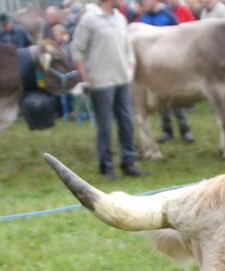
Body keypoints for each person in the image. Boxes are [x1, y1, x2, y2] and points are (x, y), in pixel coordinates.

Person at [71, 0, 149, 179]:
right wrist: (85, 77)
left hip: (122, 81)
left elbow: (128, 49)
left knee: (127, 122)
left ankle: (129, 163)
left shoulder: (121, 19)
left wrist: (130, 69)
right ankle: (106, 169)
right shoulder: (89, 19)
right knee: (105, 126)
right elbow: (77, 49)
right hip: (101, 82)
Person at [136, 0, 193, 144]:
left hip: (170, 64)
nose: (143, 3)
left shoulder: (168, 16)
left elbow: (180, 37)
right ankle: (167, 131)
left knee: (175, 96)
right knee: (161, 98)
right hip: (153, 67)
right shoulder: (143, 20)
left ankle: (184, 129)